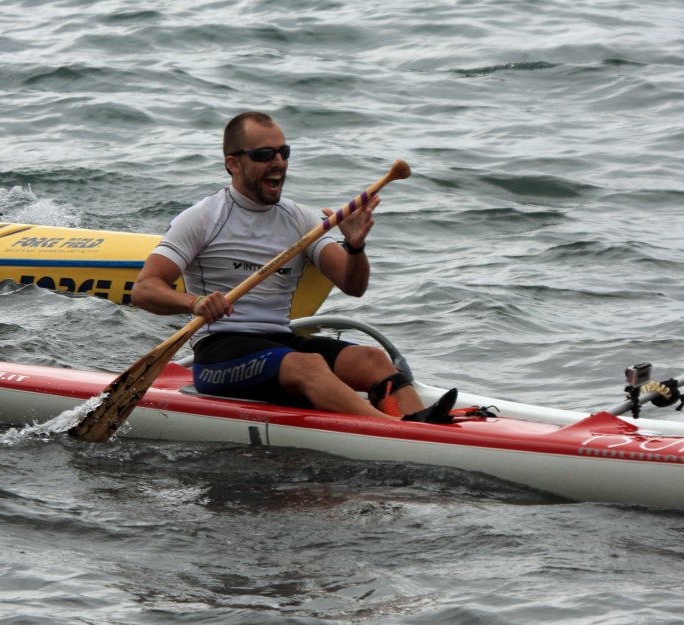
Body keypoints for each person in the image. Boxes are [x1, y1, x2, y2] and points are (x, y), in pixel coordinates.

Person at [131, 110, 456, 422]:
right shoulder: (203, 218)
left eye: (283, 152)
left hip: (279, 343)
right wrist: (195, 302)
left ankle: (418, 425)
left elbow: (353, 286)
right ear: (234, 164)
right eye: (264, 154)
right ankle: (396, 432)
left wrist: (355, 246)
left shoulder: (301, 219)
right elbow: (145, 289)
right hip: (221, 354)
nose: (279, 162)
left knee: (371, 359)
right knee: (309, 365)